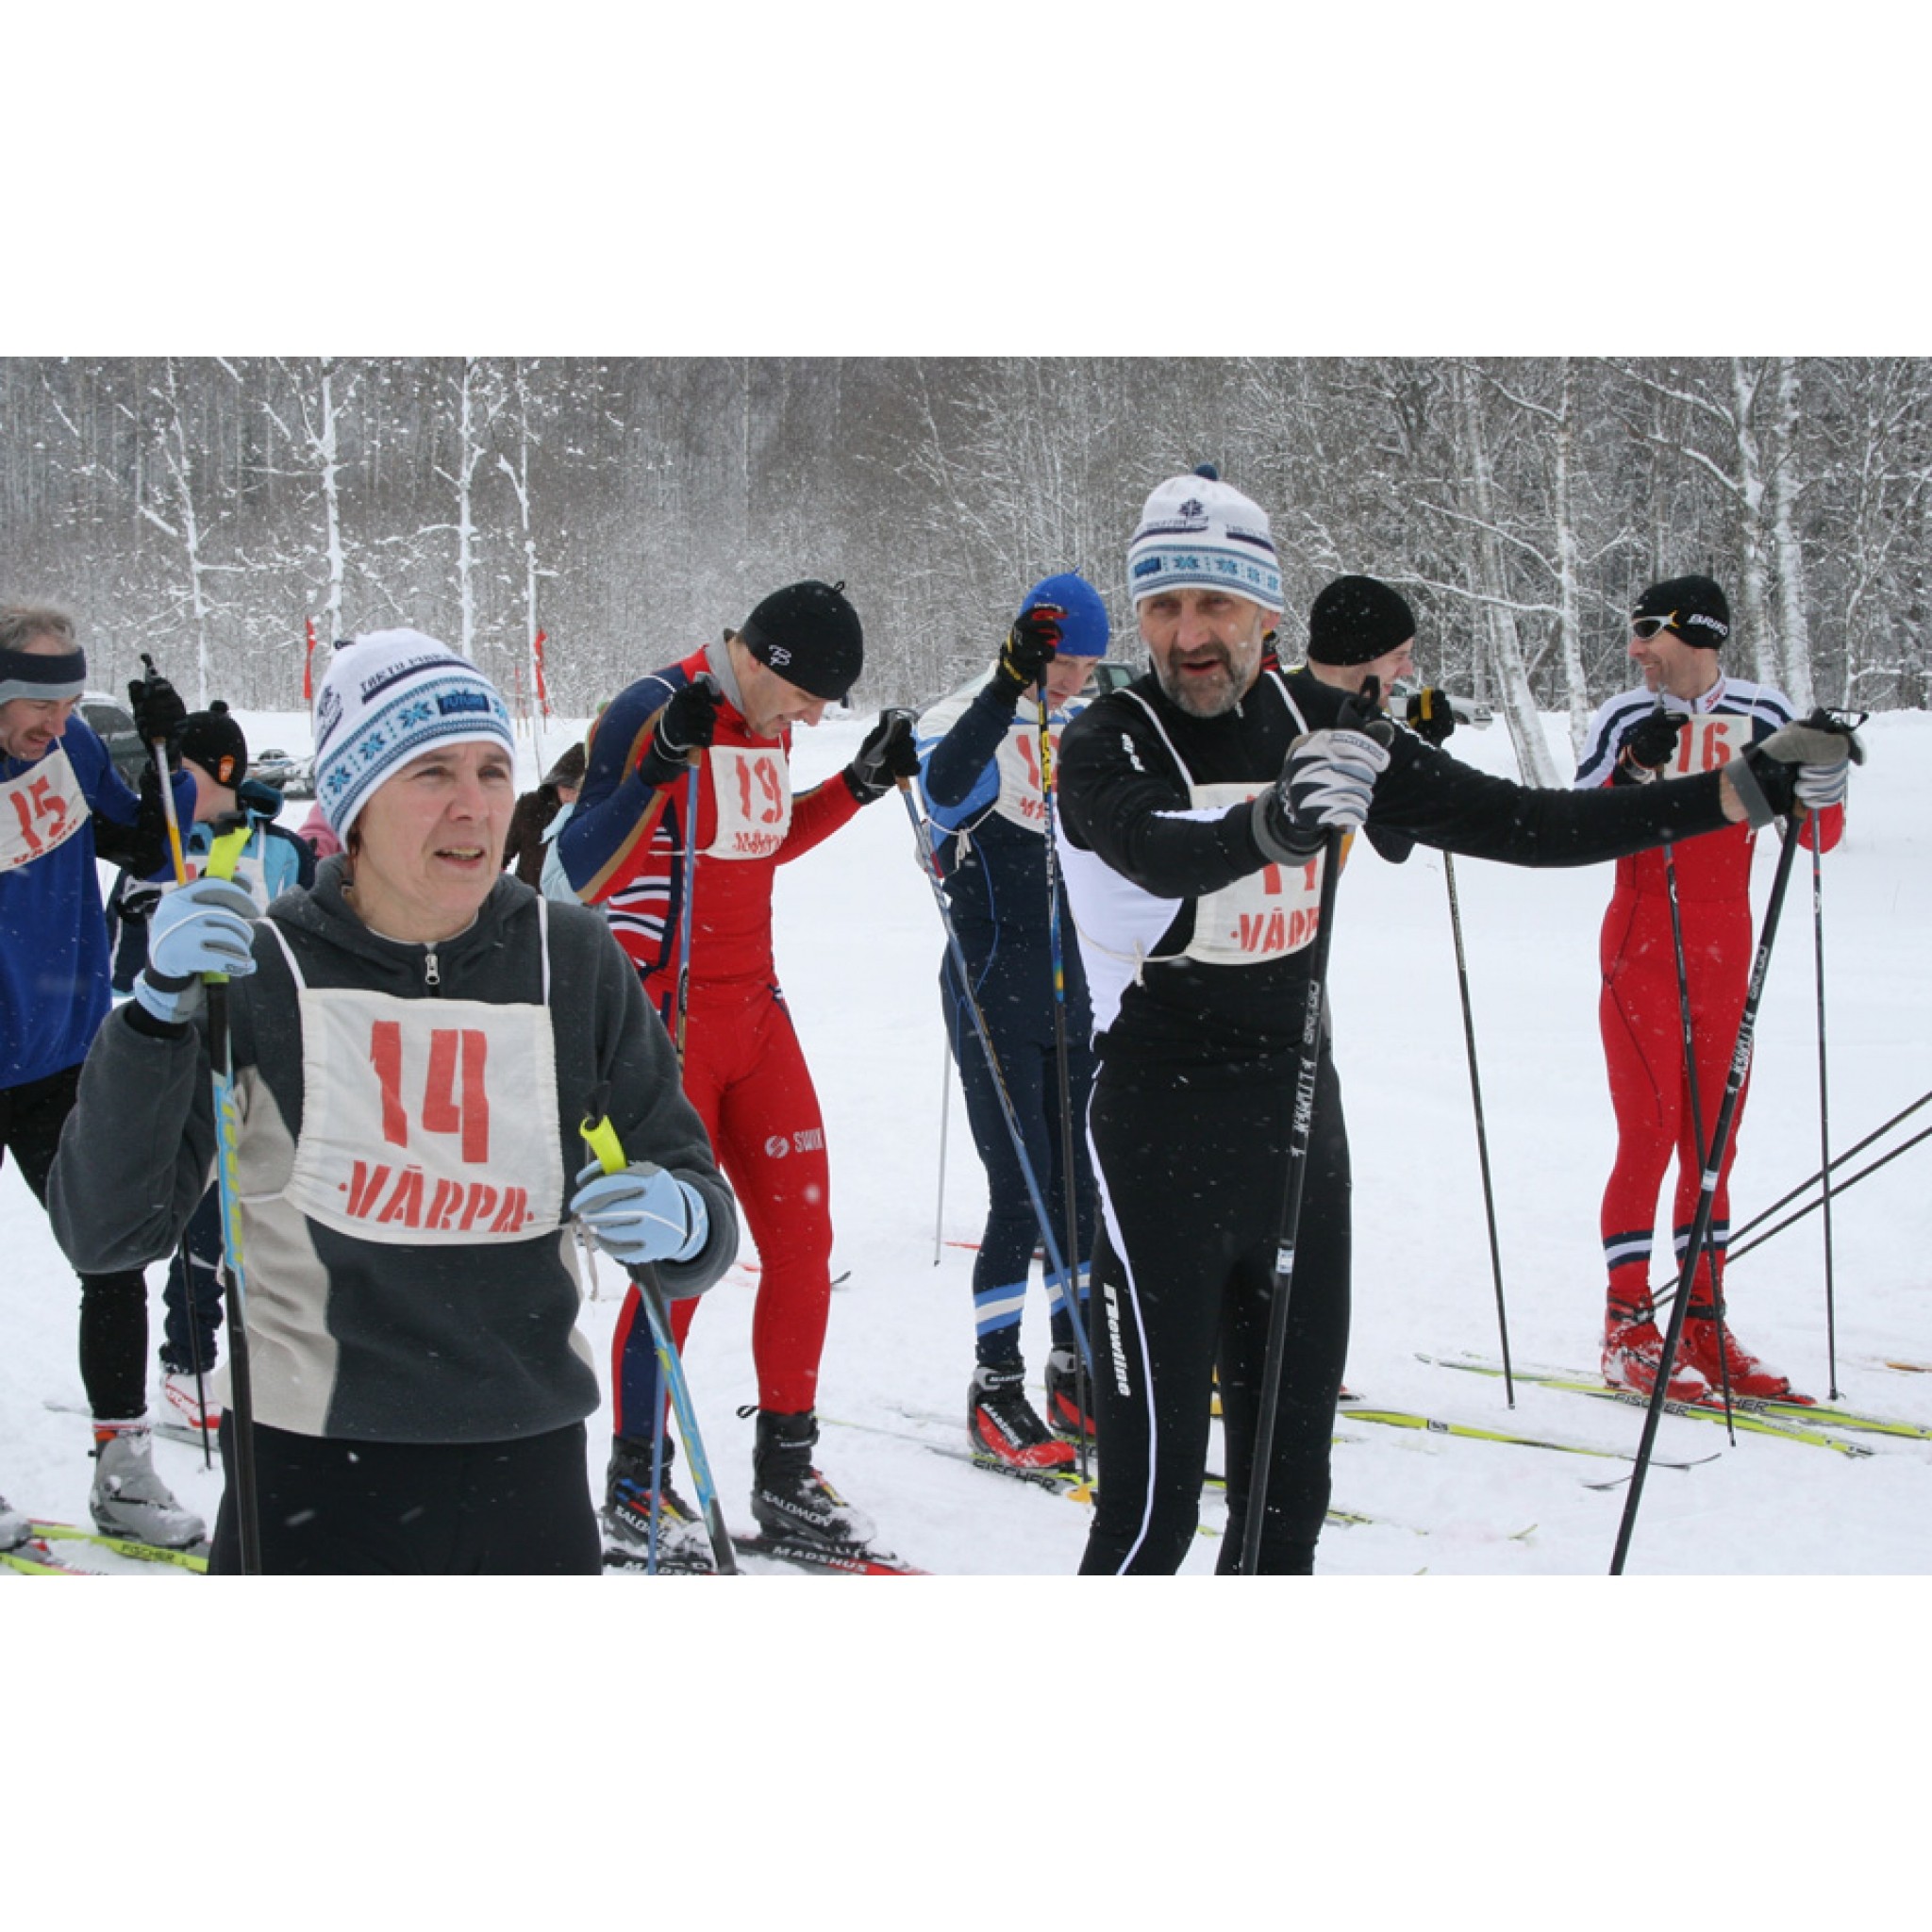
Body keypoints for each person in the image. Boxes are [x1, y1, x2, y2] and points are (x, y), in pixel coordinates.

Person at [1053, 468, 1857, 1574]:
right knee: (1150, 1519)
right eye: (1163, 605)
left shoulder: (1321, 721)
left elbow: (1525, 822)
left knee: (1284, 1511)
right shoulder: (1111, 735)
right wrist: (1275, 824)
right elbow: (1148, 843)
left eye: (1216, 605)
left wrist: (1739, 791)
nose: (1189, 634)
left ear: (1265, 611)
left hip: (1293, 1127)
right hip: (1151, 1133)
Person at [47, 629, 737, 1574]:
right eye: (431, 771)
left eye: (494, 769)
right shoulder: (259, 965)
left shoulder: (571, 958)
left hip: (525, 1464)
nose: (474, 804)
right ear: (356, 803)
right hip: (310, 1472)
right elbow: (108, 1232)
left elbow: (697, 1210)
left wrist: (685, 1221)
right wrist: (158, 1019)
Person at [559, 580, 920, 1571]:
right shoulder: (649, 707)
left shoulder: (768, 724)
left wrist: (859, 782)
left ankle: (784, 1472)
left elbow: (760, 844)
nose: (812, 718)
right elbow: (572, 871)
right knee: (680, 1260)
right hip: (668, 1025)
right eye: (809, 699)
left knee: (803, 1242)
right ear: (762, 659)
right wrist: (655, 767)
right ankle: (635, 1485)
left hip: (755, 1011)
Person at [1574, 575, 1844, 1403]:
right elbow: (1576, 822)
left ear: (1696, 633)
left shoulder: (1765, 713)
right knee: (1650, 1133)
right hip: (1642, 945)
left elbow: (1820, 835)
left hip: (1726, 946)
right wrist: (1629, 769)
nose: (1635, 649)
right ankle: (1627, 1324)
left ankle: (1701, 1319)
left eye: (1648, 632)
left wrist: (1826, 766)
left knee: (1713, 1145)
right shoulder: (1624, 715)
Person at [0, 604, 202, 1550]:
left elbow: (152, 847)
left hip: (58, 1052)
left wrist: (166, 751)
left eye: (70, 700)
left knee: (112, 1250)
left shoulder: (73, 752)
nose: (55, 720)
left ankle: (122, 1475)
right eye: (37, 703)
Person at [915, 573, 1108, 1474]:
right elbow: (944, 794)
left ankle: (1079, 1367)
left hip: (1074, 996)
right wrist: (1005, 685)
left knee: (1080, 1192)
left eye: (1087, 667)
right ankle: (995, 1388)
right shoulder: (975, 715)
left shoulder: (1085, 726)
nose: (1072, 681)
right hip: (993, 989)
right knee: (1022, 1194)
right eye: (1063, 662)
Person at [113, 701, 317, 1441]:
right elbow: (123, 965)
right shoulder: (162, 851)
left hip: (267, 1060)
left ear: (220, 773)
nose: (169, 789)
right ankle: (186, 1362)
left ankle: (267, 1360)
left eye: (183, 775)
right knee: (202, 1224)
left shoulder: (284, 850)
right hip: (192, 1065)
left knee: (263, 1223)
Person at [503, 741, 584, 886]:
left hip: (570, 904)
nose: (570, 795)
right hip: (528, 899)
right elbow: (501, 852)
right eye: (566, 788)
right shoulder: (530, 806)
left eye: (577, 790)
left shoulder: (592, 818)